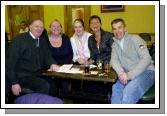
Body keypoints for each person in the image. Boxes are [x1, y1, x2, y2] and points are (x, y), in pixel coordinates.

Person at [6, 19, 60, 97]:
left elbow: (47, 56)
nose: (39, 29)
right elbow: (10, 62)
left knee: (54, 85)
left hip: (38, 74)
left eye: (41, 27)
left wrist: (52, 64)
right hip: (22, 76)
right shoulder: (19, 40)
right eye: (36, 26)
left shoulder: (42, 41)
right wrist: (14, 82)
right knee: (44, 86)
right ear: (30, 27)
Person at [110, 18, 155, 104]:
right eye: (114, 29)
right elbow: (114, 61)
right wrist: (121, 73)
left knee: (128, 92)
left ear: (125, 28)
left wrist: (129, 75)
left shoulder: (135, 39)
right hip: (127, 74)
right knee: (116, 88)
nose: (117, 31)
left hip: (147, 71)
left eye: (120, 27)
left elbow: (147, 58)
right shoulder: (114, 45)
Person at [47, 19, 73, 95]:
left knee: (66, 90)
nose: (56, 28)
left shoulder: (65, 38)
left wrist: (65, 67)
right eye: (54, 26)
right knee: (52, 89)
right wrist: (53, 65)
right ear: (50, 28)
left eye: (58, 26)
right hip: (50, 68)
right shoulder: (44, 39)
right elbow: (45, 56)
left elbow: (70, 54)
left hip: (65, 68)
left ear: (61, 28)